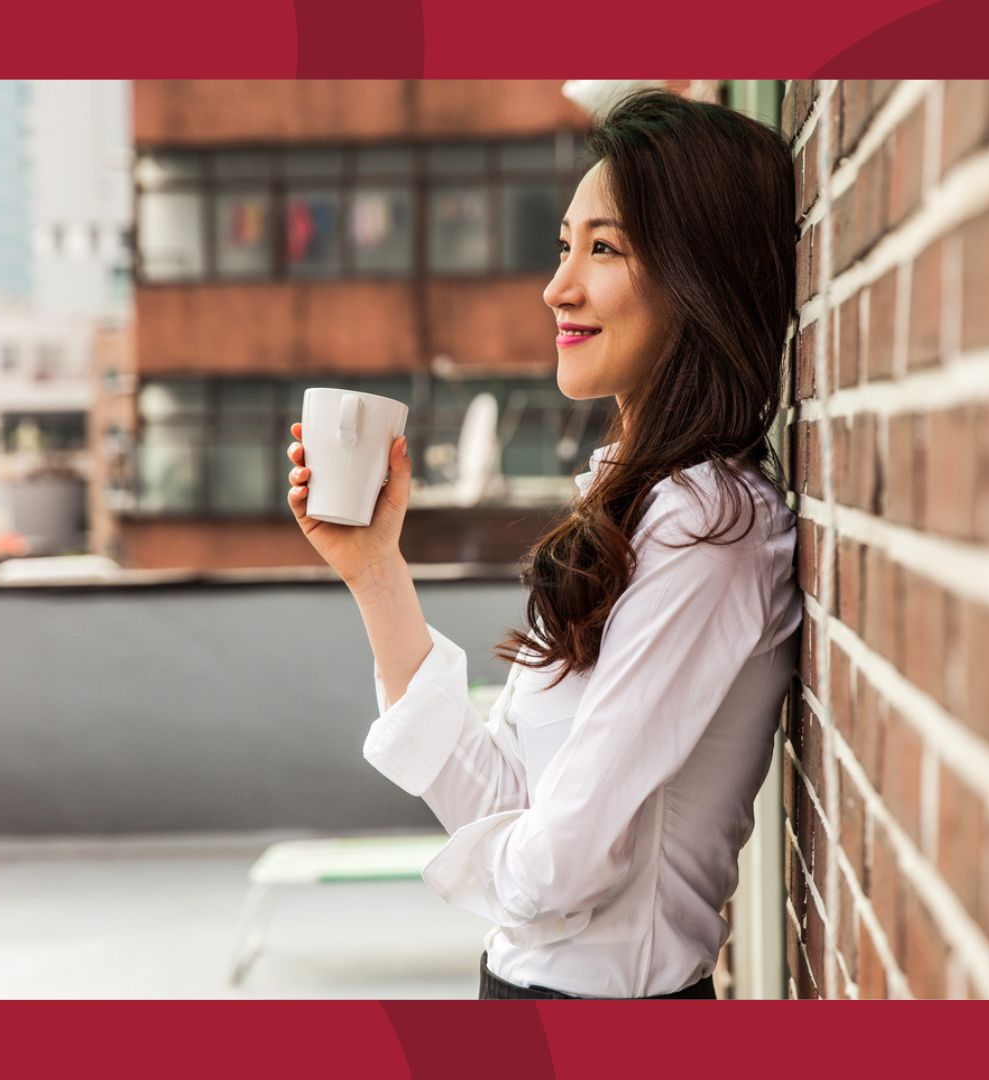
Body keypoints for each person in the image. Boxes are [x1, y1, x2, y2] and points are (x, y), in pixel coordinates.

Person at [284, 88, 803, 1000]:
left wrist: (485, 874)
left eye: (604, 248)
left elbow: (558, 870)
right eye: (565, 246)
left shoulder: (710, 527)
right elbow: (504, 796)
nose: (557, 285)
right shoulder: (642, 506)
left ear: (698, 274)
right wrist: (375, 569)